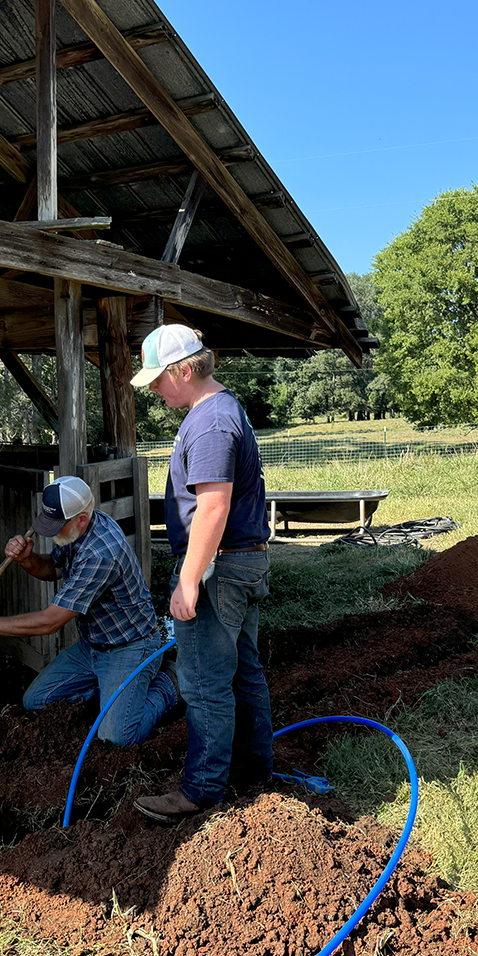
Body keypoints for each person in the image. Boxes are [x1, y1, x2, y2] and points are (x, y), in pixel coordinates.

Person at [129, 324, 272, 823]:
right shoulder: (219, 410)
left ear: (184, 371)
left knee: (204, 682)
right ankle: (255, 770)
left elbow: (212, 508)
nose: (151, 389)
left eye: (157, 379)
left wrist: (190, 579)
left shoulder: (210, 423)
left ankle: (202, 790)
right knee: (244, 672)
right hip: (243, 562)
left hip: (219, 568)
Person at [0, 476, 177, 746]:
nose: (50, 532)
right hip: (92, 646)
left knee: (117, 739)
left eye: (57, 525)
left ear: (81, 519)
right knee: (37, 701)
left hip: (129, 647)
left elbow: (50, 622)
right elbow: (52, 570)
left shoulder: (100, 554)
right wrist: (27, 560)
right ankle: (111, 691)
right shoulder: (78, 531)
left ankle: (169, 682)